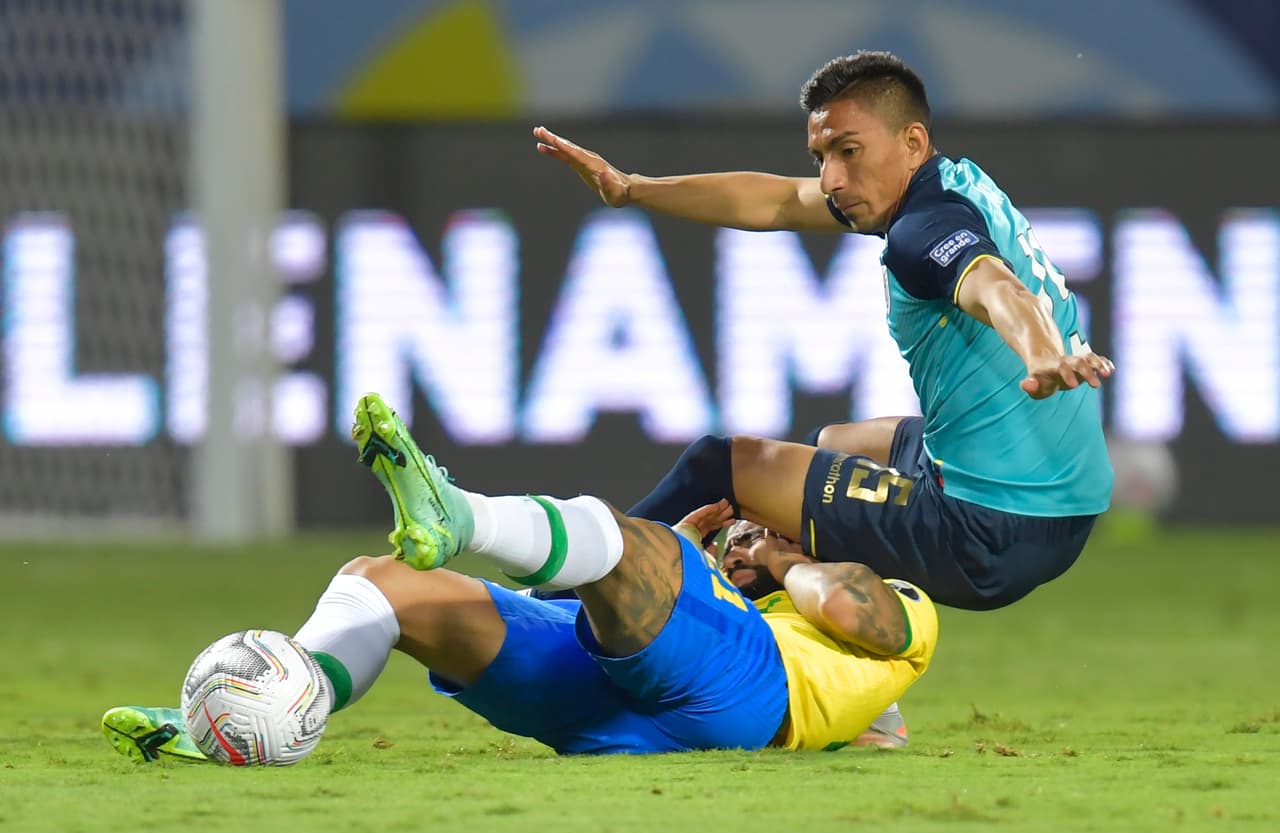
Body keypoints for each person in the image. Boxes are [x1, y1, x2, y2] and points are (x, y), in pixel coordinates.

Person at [533, 50, 1115, 612]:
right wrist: (631, 187)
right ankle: (799, 612)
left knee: (720, 467)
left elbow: (995, 286)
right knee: (833, 444)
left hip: (988, 528)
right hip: (1069, 502)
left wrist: (1040, 353)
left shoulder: (920, 233)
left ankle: (562, 606)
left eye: (848, 151)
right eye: (821, 156)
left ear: (911, 141)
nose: (832, 178)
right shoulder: (953, 184)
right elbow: (782, 200)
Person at [101, 392, 936, 761]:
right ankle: (244, 724)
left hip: (747, 700)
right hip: (616, 702)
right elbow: (554, 607)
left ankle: (460, 513)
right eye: (750, 527)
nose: (753, 531)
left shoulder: (902, 603)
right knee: (384, 582)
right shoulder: (717, 594)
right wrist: (687, 565)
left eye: (771, 524)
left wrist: (777, 560)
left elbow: (855, 615)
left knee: (626, 538)